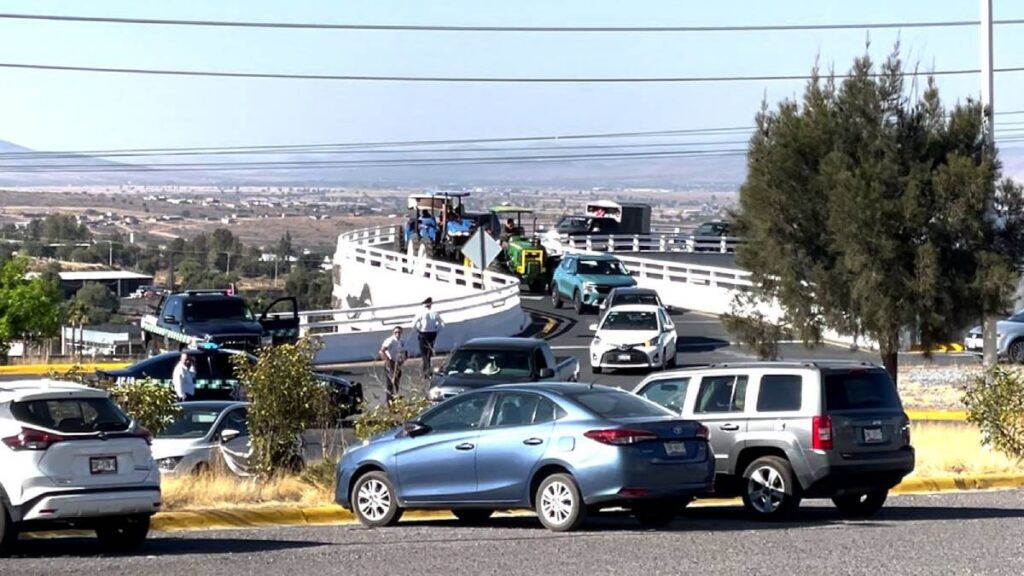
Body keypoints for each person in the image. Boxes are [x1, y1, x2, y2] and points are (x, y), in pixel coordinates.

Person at [413, 297, 445, 378]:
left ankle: (426, 372)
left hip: (423, 334)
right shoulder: (435, 313)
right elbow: (442, 324)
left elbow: (413, 324)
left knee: (424, 354)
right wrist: (437, 330)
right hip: (432, 334)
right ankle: (428, 371)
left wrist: (419, 329)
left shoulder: (421, 313)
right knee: (429, 354)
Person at [378, 326, 407, 403]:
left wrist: (402, 360)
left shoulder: (401, 341)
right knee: (391, 382)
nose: (397, 334)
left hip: (397, 364)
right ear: (393, 333)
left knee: (397, 380)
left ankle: (395, 397)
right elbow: (381, 351)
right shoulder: (390, 340)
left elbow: (403, 351)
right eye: (396, 332)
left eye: (399, 332)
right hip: (390, 363)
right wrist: (387, 360)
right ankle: (389, 400)